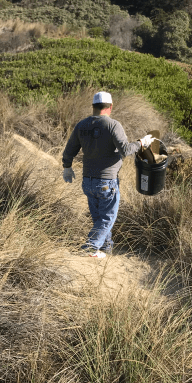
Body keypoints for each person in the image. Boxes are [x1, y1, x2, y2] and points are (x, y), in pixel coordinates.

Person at [61, 91, 153, 258]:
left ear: (93, 107)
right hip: (107, 182)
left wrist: (67, 167)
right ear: (110, 107)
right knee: (107, 219)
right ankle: (90, 247)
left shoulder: (81, 125)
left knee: (99, 219)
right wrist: (141, 143)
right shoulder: (112, 125)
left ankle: (105, 249)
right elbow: (125, 150)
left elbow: (69, 150)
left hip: (87, 182)